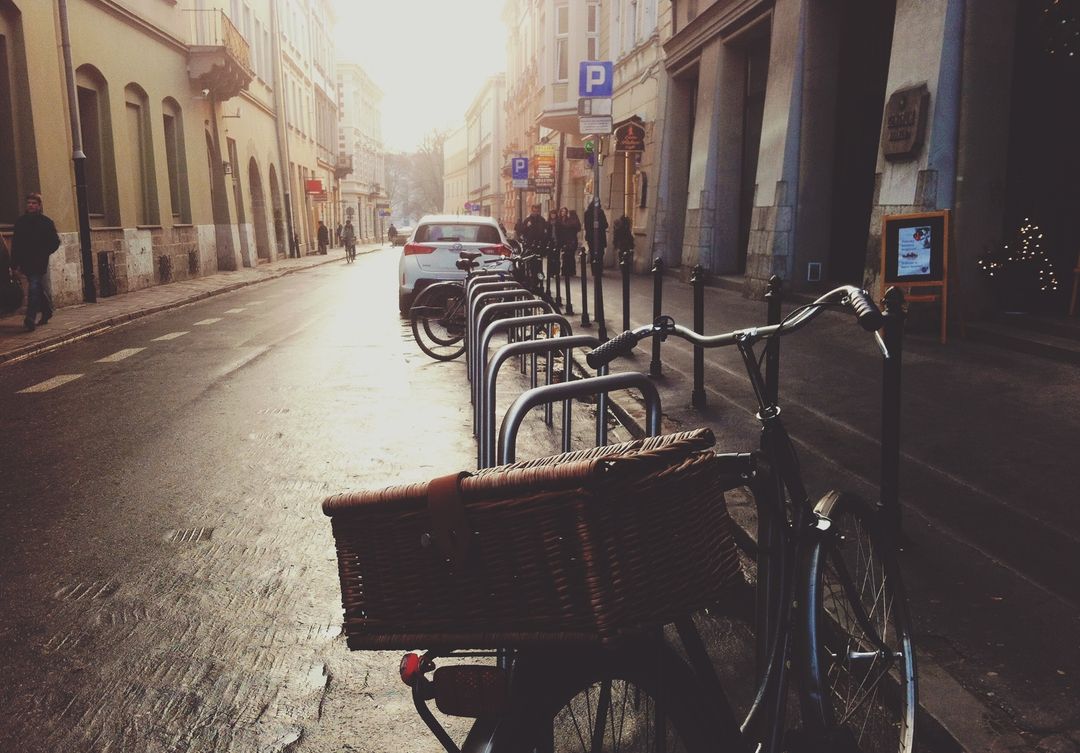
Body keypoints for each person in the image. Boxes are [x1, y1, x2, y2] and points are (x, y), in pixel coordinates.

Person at [10, 192, 60, 332]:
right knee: (37, 287)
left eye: (34, 203)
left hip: (39, 262)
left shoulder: (46, 222)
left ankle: (30, 318)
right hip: (25, 261)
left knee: (33, 286)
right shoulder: (20, 222)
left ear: (39, 206)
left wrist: (44, 253)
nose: (31, 205)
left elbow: (55, 242)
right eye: (29, 203)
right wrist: (14, 265)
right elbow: (16, 244)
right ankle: (47, 311)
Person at [583, 199, 608, 272]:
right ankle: (596, 269)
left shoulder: (600, 212)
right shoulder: (588, 213)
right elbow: (587, 226)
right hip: (593, 236)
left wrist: (598, 225)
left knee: (598, 253)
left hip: (598, 236)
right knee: (595, 253)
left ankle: (597, 269)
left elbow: (606, 224)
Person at [561, 208, 582, 276]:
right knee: (570, 256)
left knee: (567, 256)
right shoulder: (576, 221)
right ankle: (571, 271)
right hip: (573, 240)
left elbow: (566, 227)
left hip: (570, 241)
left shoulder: (571, 222)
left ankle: (566, 271)